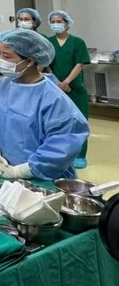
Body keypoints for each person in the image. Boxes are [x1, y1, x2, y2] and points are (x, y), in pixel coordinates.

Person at [0, 29, 89, 180]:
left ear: (30, 61)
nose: (0, 60)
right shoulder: (3, 86)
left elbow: (62, 146)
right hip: (4, 170)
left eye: (6, 56)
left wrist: (21, 171)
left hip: (44, 179)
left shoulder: (53, 99)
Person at [46, 10, 92, 169]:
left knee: (79, 121)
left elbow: (79, 64)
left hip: (75, 88)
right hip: (54, 86)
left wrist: (66, 82)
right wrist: (57, 82)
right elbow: (46, 63)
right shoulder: (48, 42)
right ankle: (60, 154)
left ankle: (80, 155)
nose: (56, 24)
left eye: (59, 21)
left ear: (67, 23)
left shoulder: (78, 42)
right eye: (53, 21)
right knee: (57, 122)